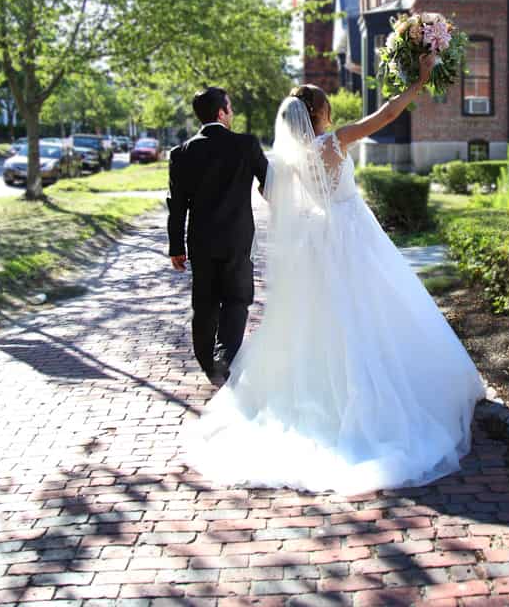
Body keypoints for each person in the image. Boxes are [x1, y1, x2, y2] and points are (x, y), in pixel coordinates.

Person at [184, 54, 485, 495]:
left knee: (327, 322)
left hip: (320, 239)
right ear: (320, 114)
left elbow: (277, 201)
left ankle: (327, 395)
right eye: (327, 109)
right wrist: (418, 82)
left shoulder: (290, 159)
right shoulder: (334, 142)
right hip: (353, 233)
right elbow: (386, 114)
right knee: (374, 310)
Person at [167, 86, 268, 386]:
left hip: (200, 241)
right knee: (237, 299)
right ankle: (223, 357)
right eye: (231, 107)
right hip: (238, 239)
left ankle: (205, 359)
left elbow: (177, 205)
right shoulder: (246, 145)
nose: (233, 113)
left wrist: (176, 246)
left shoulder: (181, 153)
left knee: (205, 303)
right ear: (221, 113)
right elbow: (269, 182)